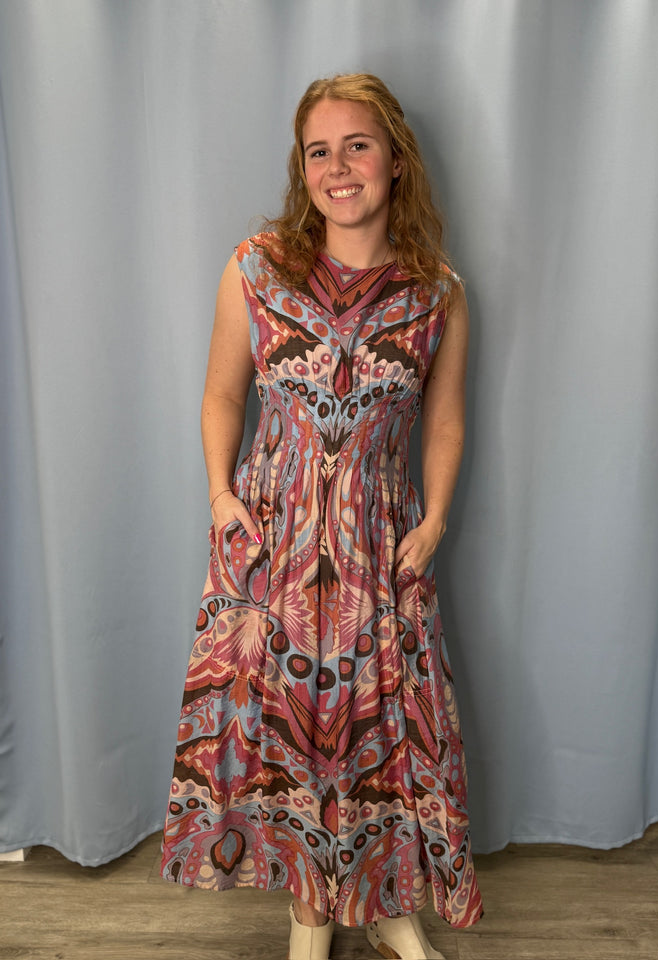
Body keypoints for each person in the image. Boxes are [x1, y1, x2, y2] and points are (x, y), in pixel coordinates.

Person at [159, 72, 483, 960]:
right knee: (287, 727)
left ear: (395, 162)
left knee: (384, 732)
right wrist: (222, 498)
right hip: (274, 539)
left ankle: (384, 906)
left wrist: (437, 521)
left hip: (381, 547)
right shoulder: (257, 268)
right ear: (302, 171)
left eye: (357, 146)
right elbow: (223, 394)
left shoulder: (436, 294)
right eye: (318, 152)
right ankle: (310, 907)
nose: (338, 168)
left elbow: (446, 421)